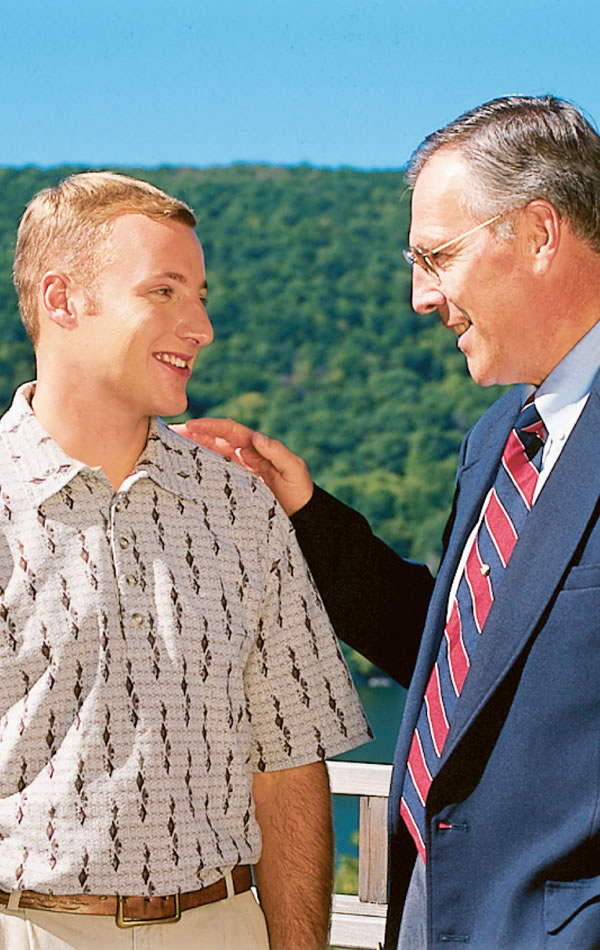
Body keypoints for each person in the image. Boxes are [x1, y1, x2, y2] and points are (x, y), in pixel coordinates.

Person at [179, 95, 600, 949]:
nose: (419, 297)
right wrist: (304, 513)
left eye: (436, 258)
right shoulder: (499, 441)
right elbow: (459, 666)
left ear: (540, 232)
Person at [0, 170, 371, 950]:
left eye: (200, 295)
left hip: (225, 927)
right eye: (164, 292)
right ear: (62, 299)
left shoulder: (240, 507)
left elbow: (289, 763)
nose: (200, 325)